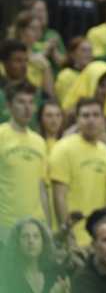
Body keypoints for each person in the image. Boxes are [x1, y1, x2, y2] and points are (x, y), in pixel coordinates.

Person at [49, 98, 106, 245]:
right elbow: (59, 196)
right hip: (73, 236)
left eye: (96, 115)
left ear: (103, 120)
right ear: (77, 120)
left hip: (99, 238)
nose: (91, 120)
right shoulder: (63, 149)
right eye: (85, 115)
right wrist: (68, 235)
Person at [0, 82, 50, 237]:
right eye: (21, 102)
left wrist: (47, 226)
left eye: (30, 102)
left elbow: (41, 186)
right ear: (9, 105)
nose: (27, 108)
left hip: (35, 226)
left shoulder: (39, 141)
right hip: (6, 225)